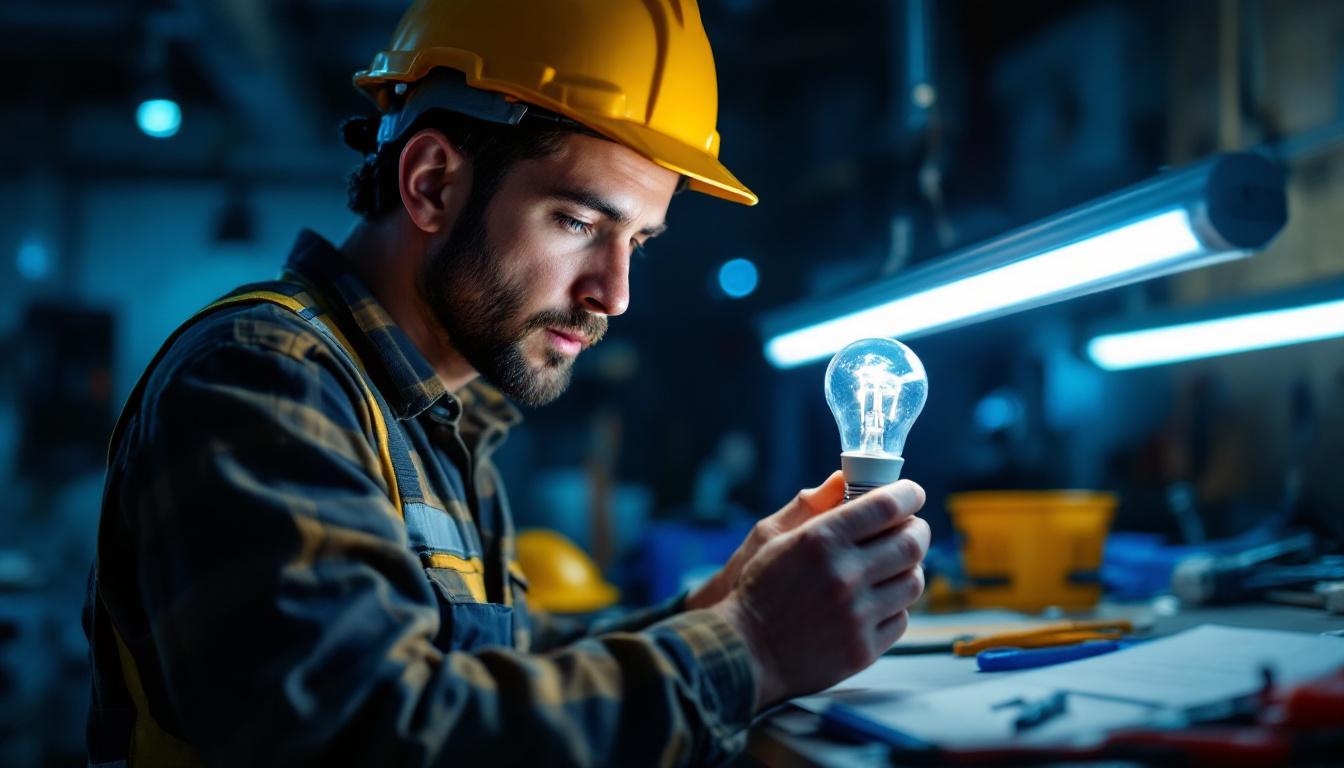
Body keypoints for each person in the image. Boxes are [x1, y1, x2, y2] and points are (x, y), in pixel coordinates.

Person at [83, 1, 931, 765]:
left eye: (637, 241)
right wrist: (753, 647)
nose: (615, 293)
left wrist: (719, 604)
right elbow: (366, 732)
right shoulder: (265, 380)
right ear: (432, 183)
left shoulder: (432, 417)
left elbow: (493, 676)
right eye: (578, 222)